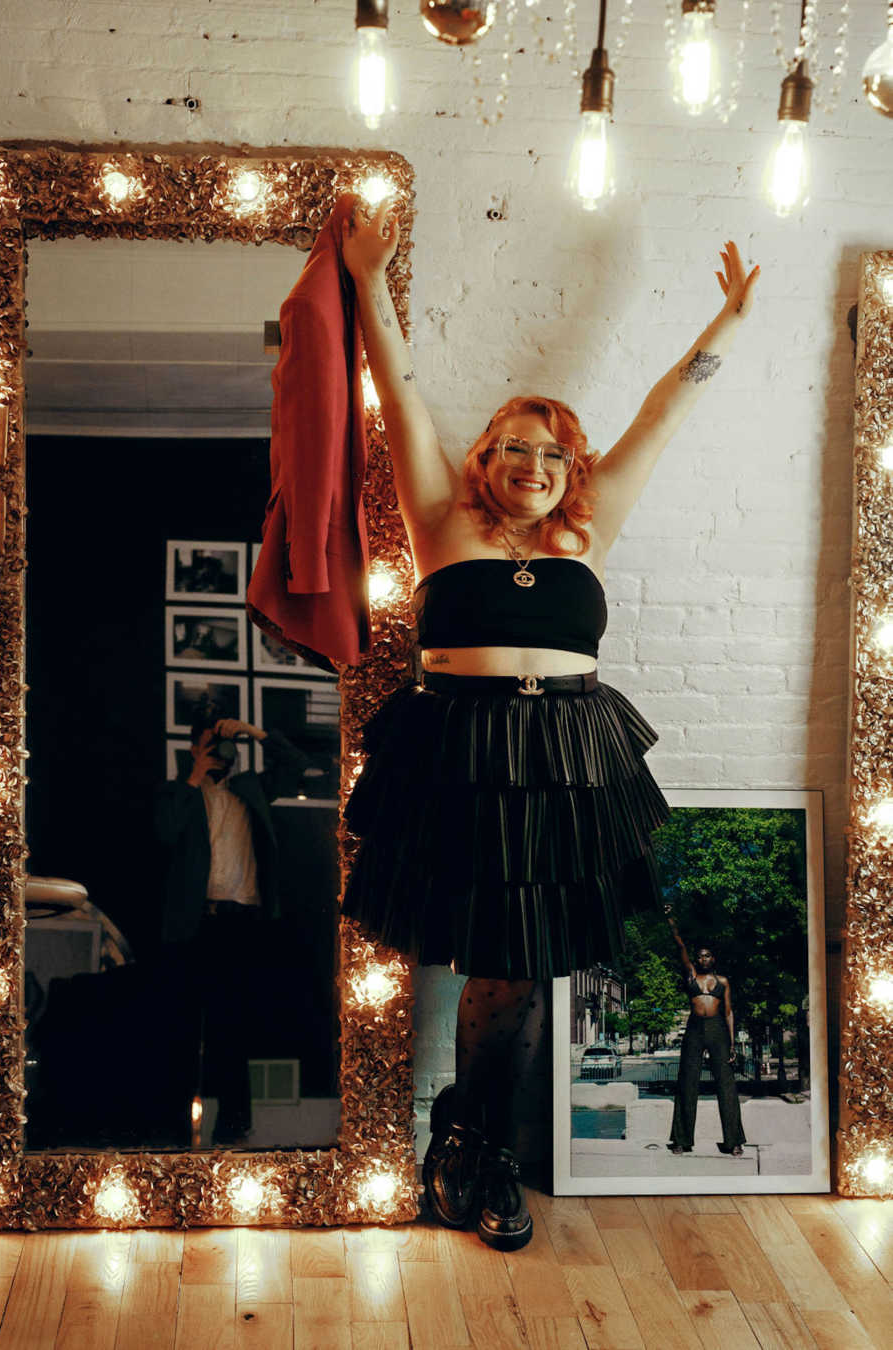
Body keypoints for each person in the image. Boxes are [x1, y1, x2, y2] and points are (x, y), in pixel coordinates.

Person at [339, 200, 759, 1249]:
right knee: (482, 956)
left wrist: (728, 327)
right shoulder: (439, 518)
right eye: (519, 449)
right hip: (461, 750)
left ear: (574, 472)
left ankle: (478, 1153)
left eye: (557, 455)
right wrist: (365, 281)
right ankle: (472, 1148)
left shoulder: (587, 528)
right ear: (487, 456)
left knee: (521, 962)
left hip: (567, 754)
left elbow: (664, 412)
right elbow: (396, 393)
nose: (537, 466)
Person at [155, 702, 306, 1145]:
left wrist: (254, 733)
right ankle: (175, 1129)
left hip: (240, 925)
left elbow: (297, 763)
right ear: (193, 746)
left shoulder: (251, 790)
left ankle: (235, 1128)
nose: (220, 752)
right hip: (193, 924)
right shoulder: (179, 793)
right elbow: (164, 833)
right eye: (210, 743)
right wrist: (194, 774)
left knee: (235, 1027)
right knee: (183, 1027)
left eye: (225, 744)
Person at [664, 905, 745, 1157]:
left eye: (708, 955)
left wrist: (732, 1045)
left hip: (718, 1029)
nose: (703, 959)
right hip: (695, 1029)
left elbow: (729, 1012)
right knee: (687, 1081)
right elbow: (680, 947)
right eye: (700, 956)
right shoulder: (691, 977)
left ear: (714, 959)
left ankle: (734, 1141)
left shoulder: (723, 982)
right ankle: (681, 1139)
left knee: (726, 1084)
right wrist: (671, 921)